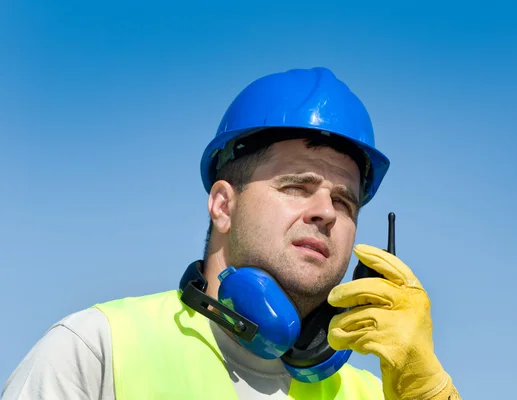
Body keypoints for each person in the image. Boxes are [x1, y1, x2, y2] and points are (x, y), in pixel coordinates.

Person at [2, 67, 461, 399]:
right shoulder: (98, 348)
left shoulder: (377, 394)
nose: (325, 212)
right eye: (297, 187)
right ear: (223, 205)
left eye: (345, 202)